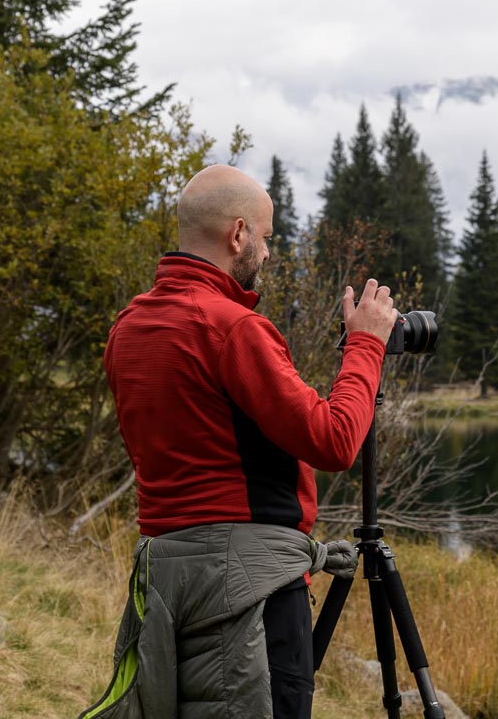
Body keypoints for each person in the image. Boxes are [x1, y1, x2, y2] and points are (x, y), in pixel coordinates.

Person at [82, 164, 397, 719]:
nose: (269, 254)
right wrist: (366, 346)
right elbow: (334, 441)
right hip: (248, 592)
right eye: (268, 237)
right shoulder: (233, 328)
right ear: (237, 235)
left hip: (163, 586)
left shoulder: (128, 327)